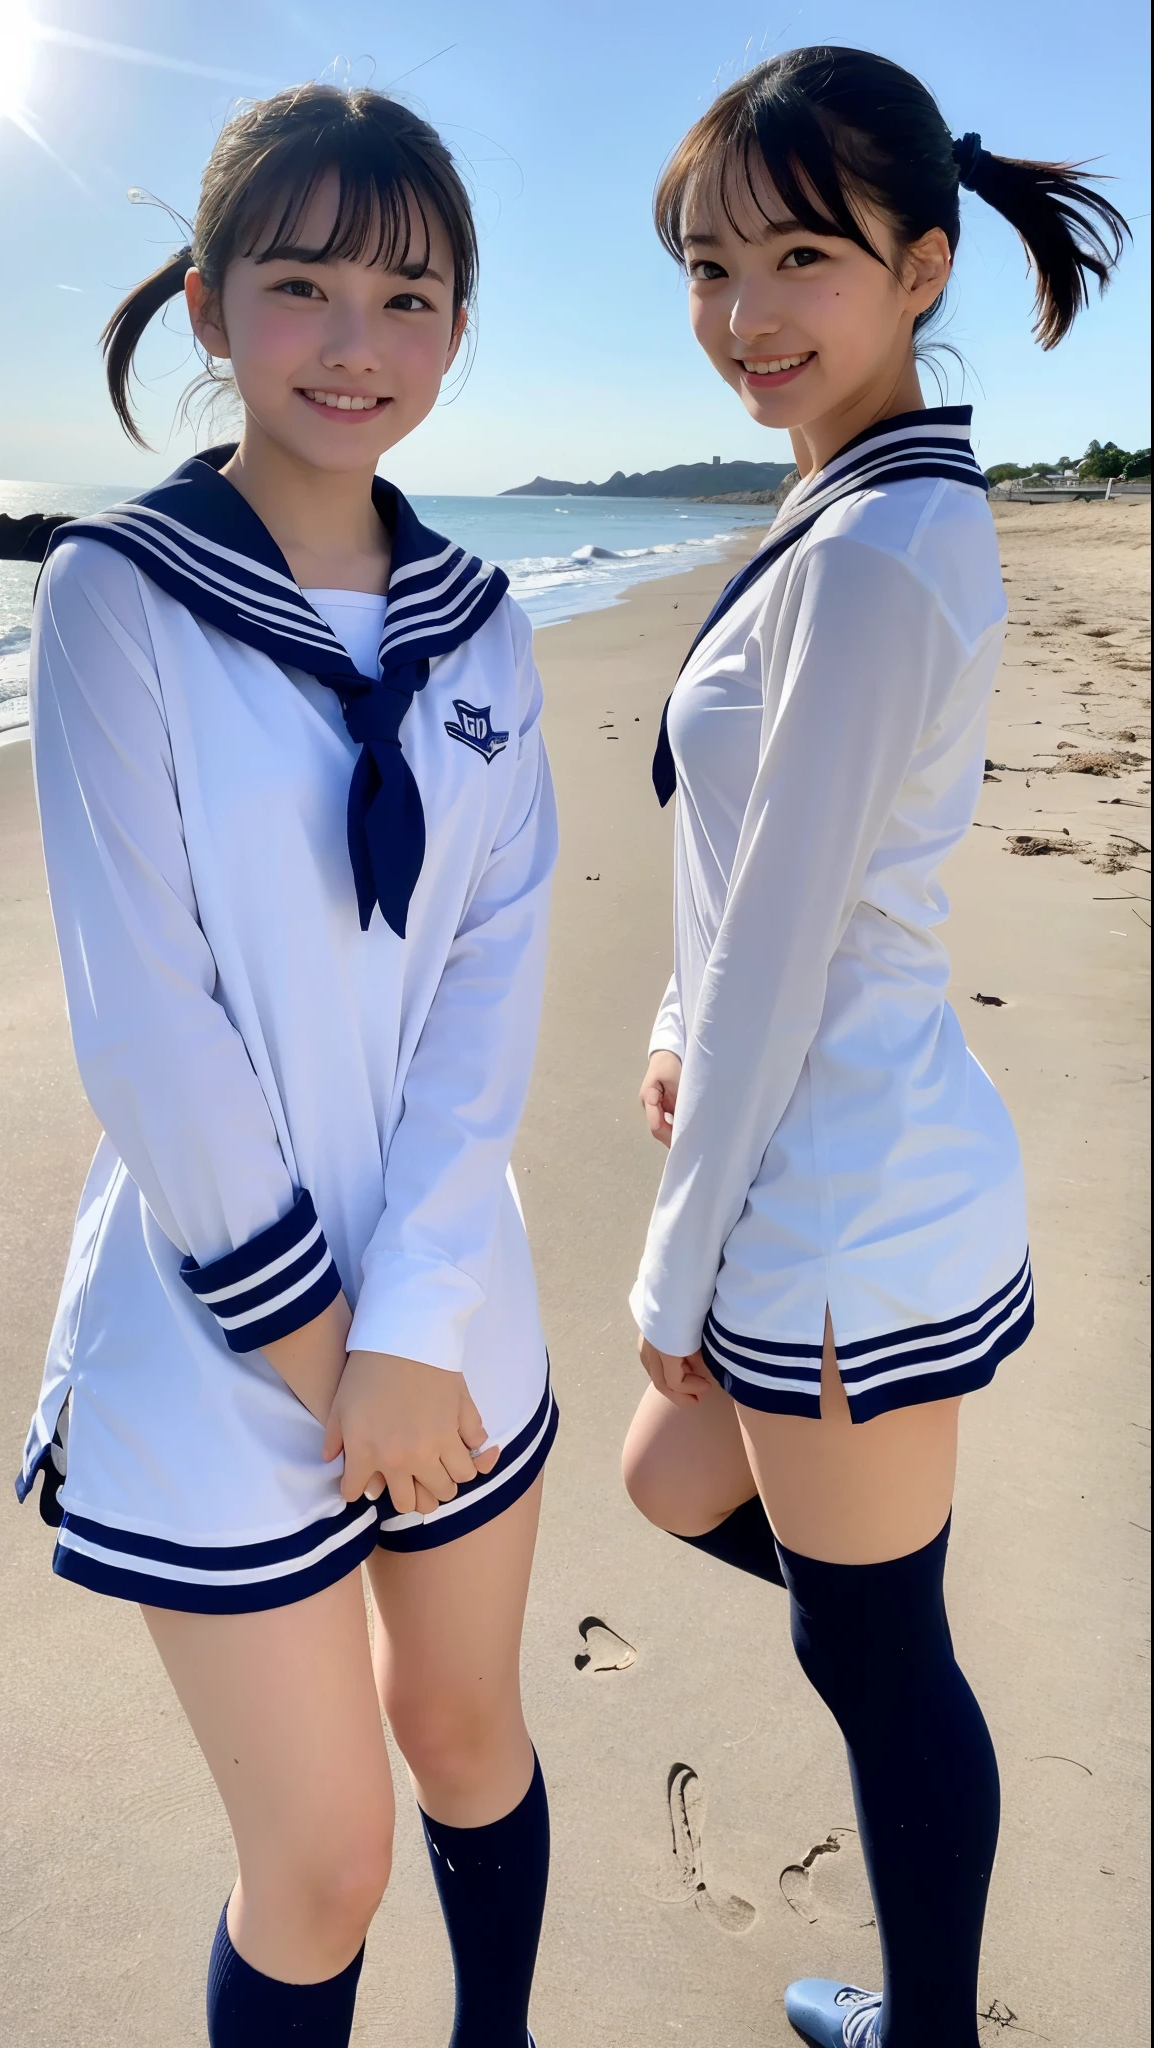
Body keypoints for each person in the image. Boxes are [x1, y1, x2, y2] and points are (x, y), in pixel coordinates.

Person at [14, 83, 557, 2048]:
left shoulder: (484, 629)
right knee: (321, 1859)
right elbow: (142, 1014)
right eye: (303, 282)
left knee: (466, 1736)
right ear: (207, 307)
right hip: (216, 1321)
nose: (354, 341)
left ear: (456, 334)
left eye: (406, 297)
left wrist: (413, 1321)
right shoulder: (121, 599)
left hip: (447, 1296)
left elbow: (491, 989)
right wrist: (328, 1350)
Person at [619, 47, 1127, 2048]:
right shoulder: (858, 502)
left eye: (798, 259)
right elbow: (752, 890)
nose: (742, 315)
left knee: (880, 1662)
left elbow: (778, 951)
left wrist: (671, 1261)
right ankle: (887, 1601)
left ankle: (920, 2026)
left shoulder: (870, 555)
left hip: (831, 1206)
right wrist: (668, 1019)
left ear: (916, 267)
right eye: (705, 264)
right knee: (685, 1486)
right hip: (836, 1162)